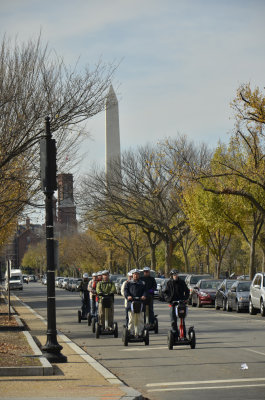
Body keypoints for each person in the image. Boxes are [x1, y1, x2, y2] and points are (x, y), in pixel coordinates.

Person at [164, 269, 189, 338]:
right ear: (172, 275)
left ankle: (183, 335)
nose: (175, 276)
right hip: (173, 304)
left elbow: (187, 291)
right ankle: (175, 335)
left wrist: (185, 299)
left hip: (181, 303)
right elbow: (165, 293)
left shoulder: (182, 282)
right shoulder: (169, 283)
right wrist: (169, 300)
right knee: (173, 321)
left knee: (182, 320)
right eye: (174, 275)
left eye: (176, 274)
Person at [124, 269, 147, 335]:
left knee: (140, 319)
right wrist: (128, 296)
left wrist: (144, 296)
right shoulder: (128, 283)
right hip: (131, 303)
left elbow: (145, 291)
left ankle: (140, 332)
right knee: (131, 319)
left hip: (140, 303)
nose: (136, 275)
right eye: (134, 274)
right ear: (132, 275)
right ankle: (130, 332)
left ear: (139, 275)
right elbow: (126, 291)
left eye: (137, 274)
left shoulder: (142, 283)